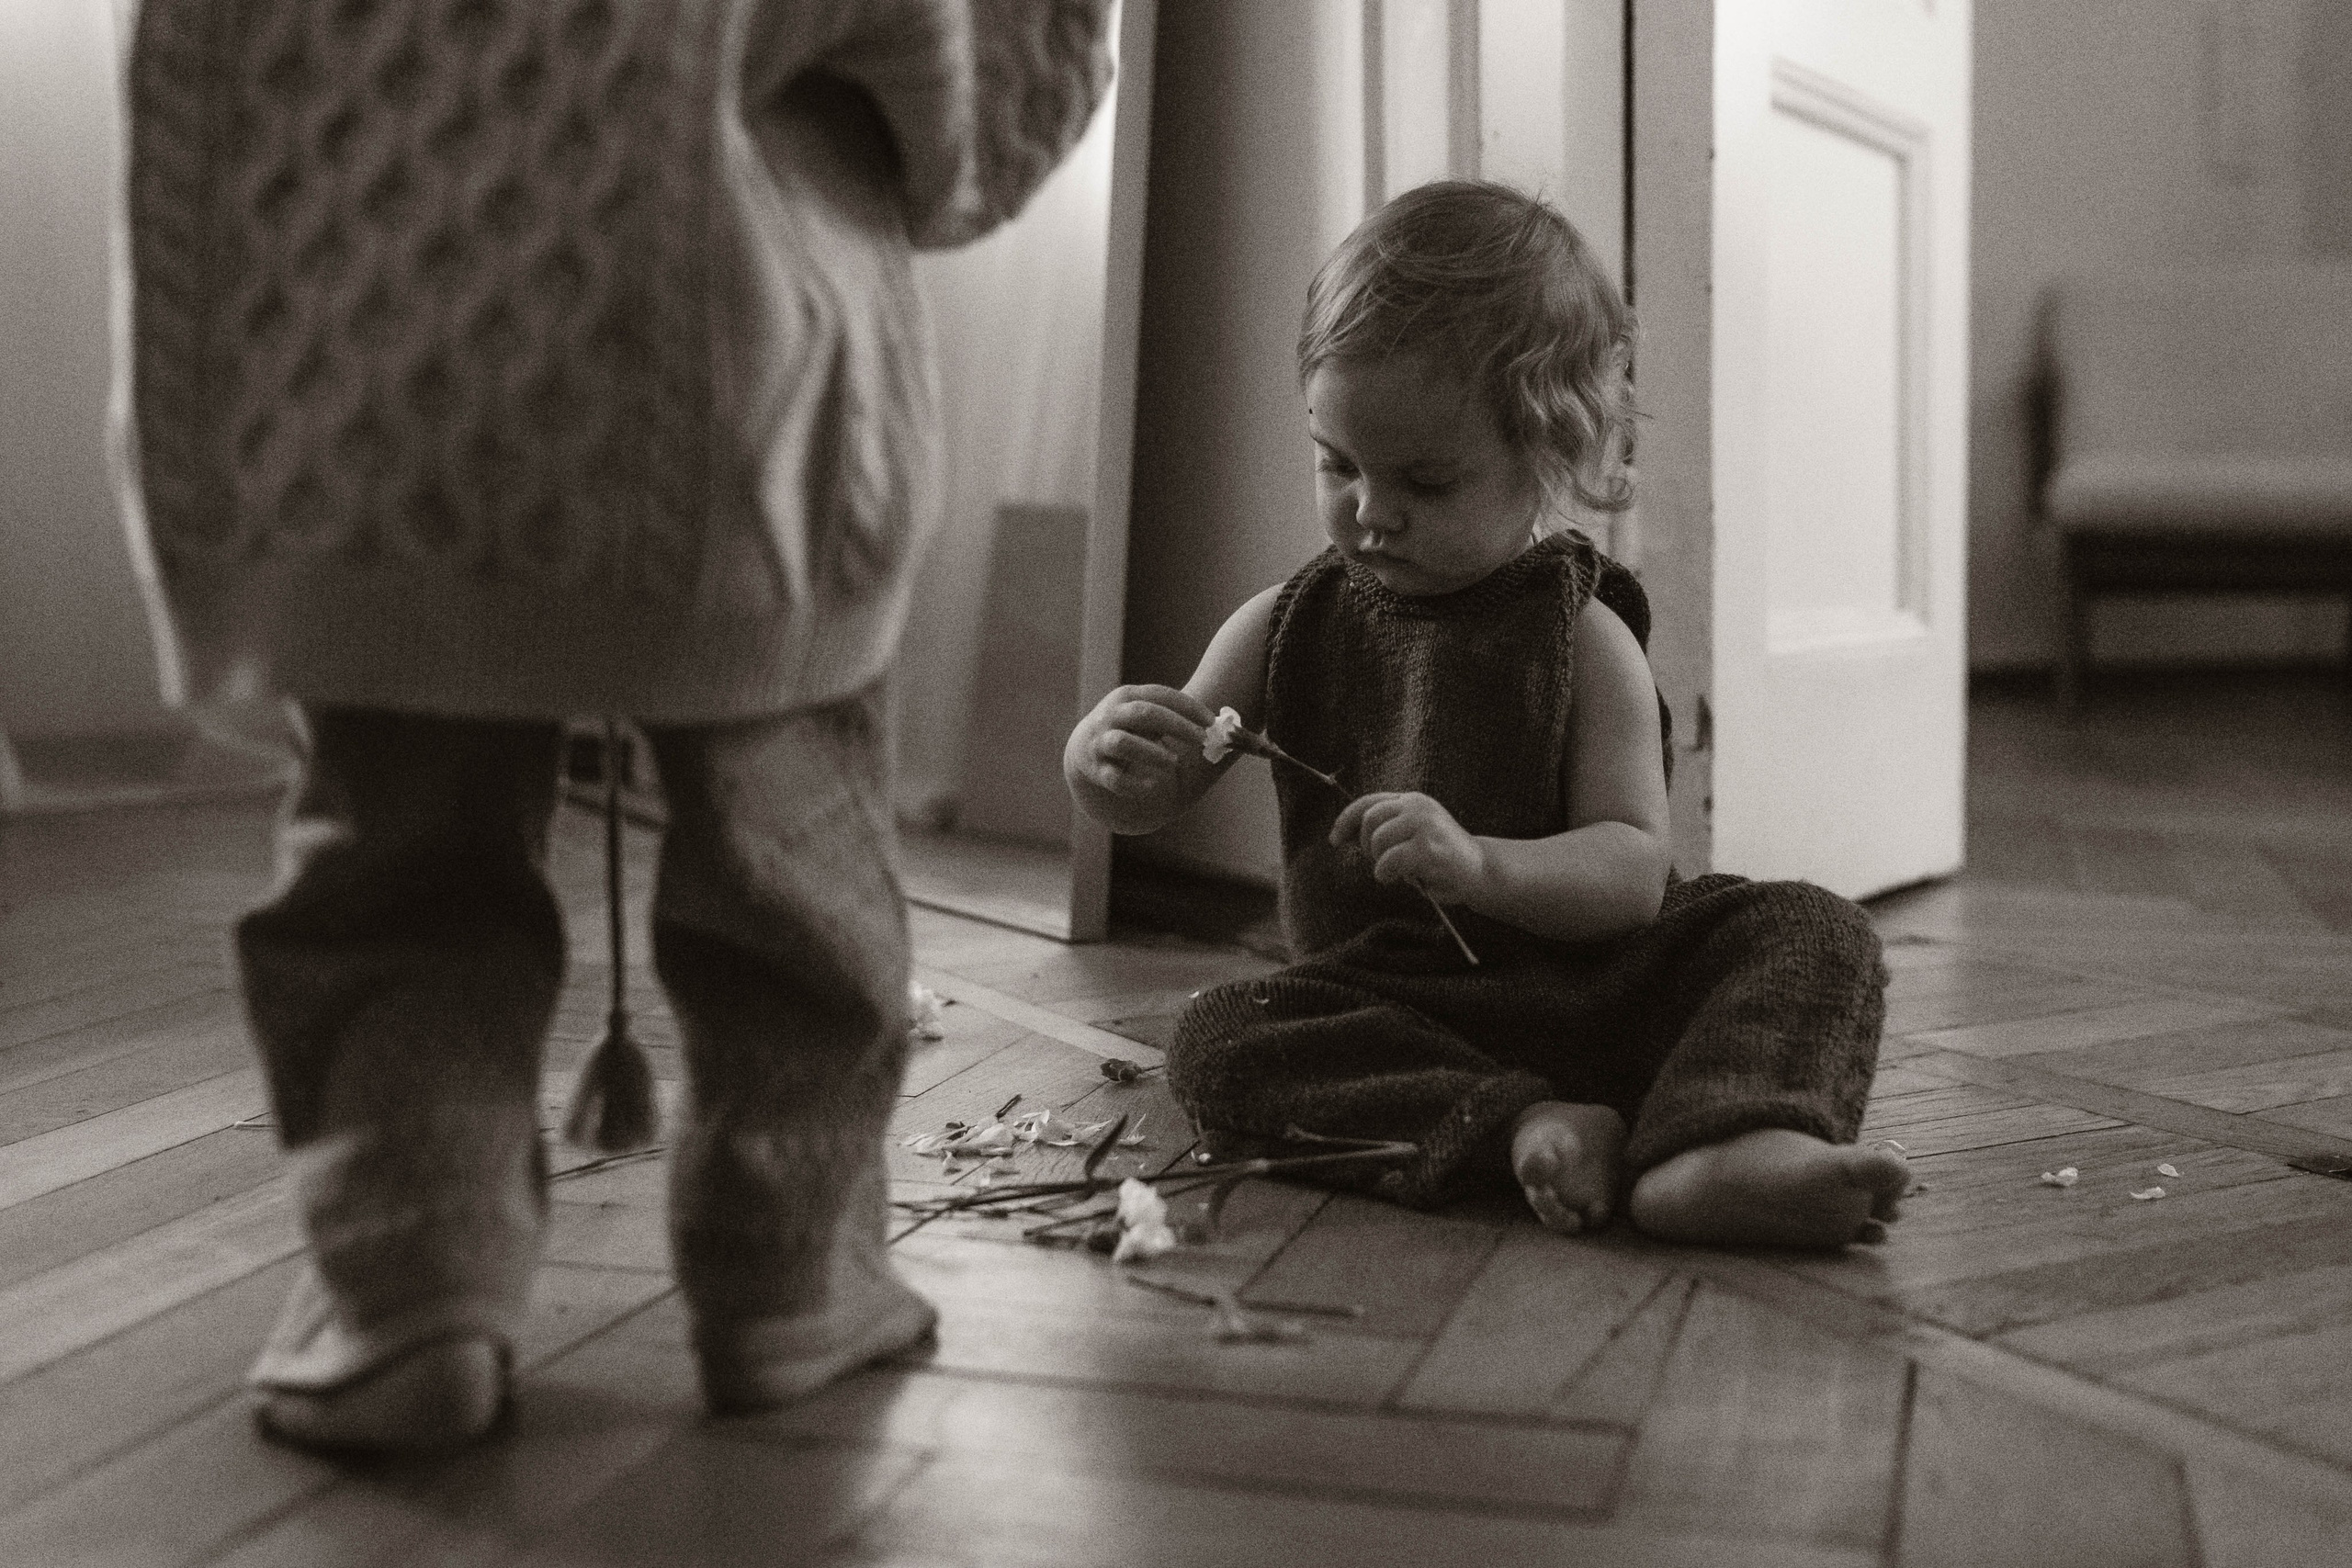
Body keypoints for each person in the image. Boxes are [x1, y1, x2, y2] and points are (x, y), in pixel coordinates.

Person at [114, 0, 1114, 1451]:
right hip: (737, 358)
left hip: (362, 365)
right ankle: (790, 1268)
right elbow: (992, 96)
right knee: (796, 857)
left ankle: (408, 1283)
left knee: (397, 862)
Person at [1064, 181, 1911, 1249]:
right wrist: (1103, 763)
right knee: (1220, 1037)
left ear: (1545, 454)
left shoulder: (1579, 636)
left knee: (1810, 927)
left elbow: (1631, 874)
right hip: (1395, 1010)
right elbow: (1152, 795)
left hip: (1598, 988)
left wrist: (1483, 867)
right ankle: (1527, 1125)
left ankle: (1725, 1142)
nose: (1369, 510)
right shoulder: (1281, 624)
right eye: (1337, 465)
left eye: (1424, 479)